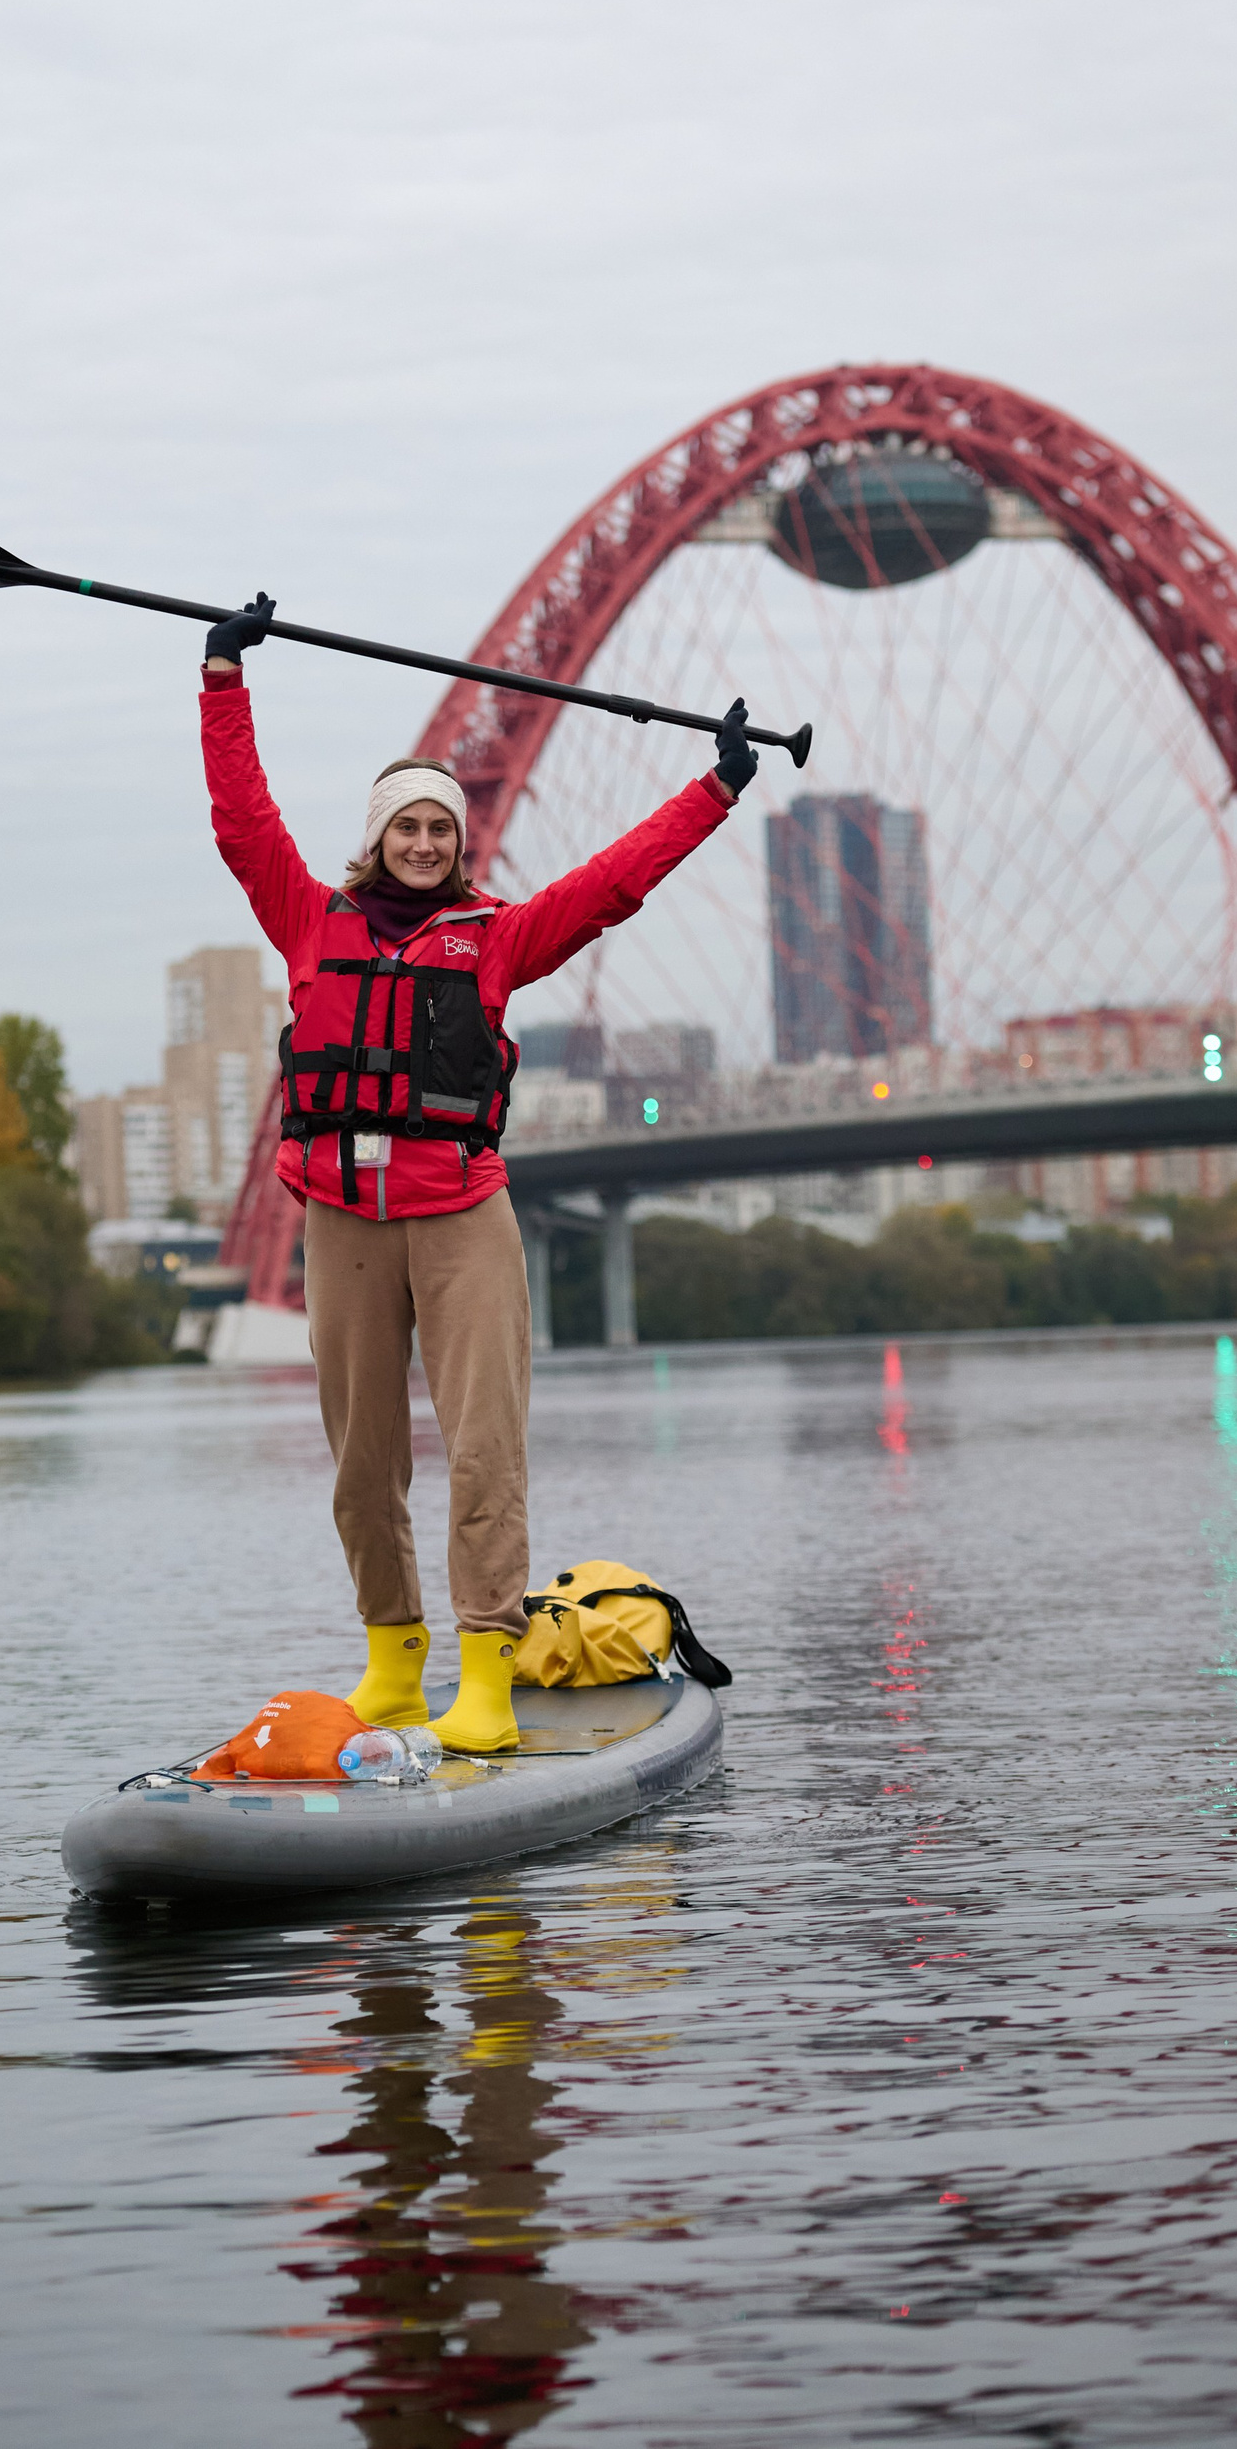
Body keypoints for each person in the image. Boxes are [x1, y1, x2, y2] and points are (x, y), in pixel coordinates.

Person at [199, 589, 760, 1754]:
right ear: (377, 838)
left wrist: (713, 791)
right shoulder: (309, 920)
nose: (424, 844)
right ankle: (393, 1666)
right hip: (342, 1218)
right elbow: (244, 823)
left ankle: (489, 1680)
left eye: (441, 832)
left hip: (461, 1214)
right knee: (362, 1463)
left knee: (482, 1454)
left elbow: (612, 885)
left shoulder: (497, 939)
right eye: (407, 828)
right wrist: (223, 683)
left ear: (461, 846)